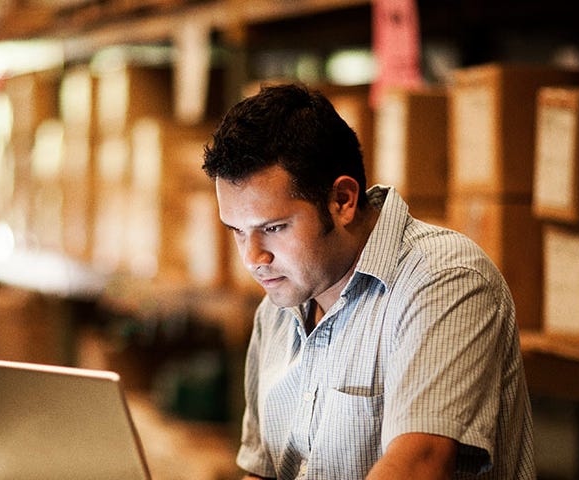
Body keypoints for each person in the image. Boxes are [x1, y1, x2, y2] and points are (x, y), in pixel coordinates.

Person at [201, 83, 535, 479]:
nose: (253, 258)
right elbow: (265, 472)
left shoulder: (444, 280)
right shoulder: (276, 308)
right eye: (237, 231)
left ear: (342, 200)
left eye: (273, 227)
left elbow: (420, 466)